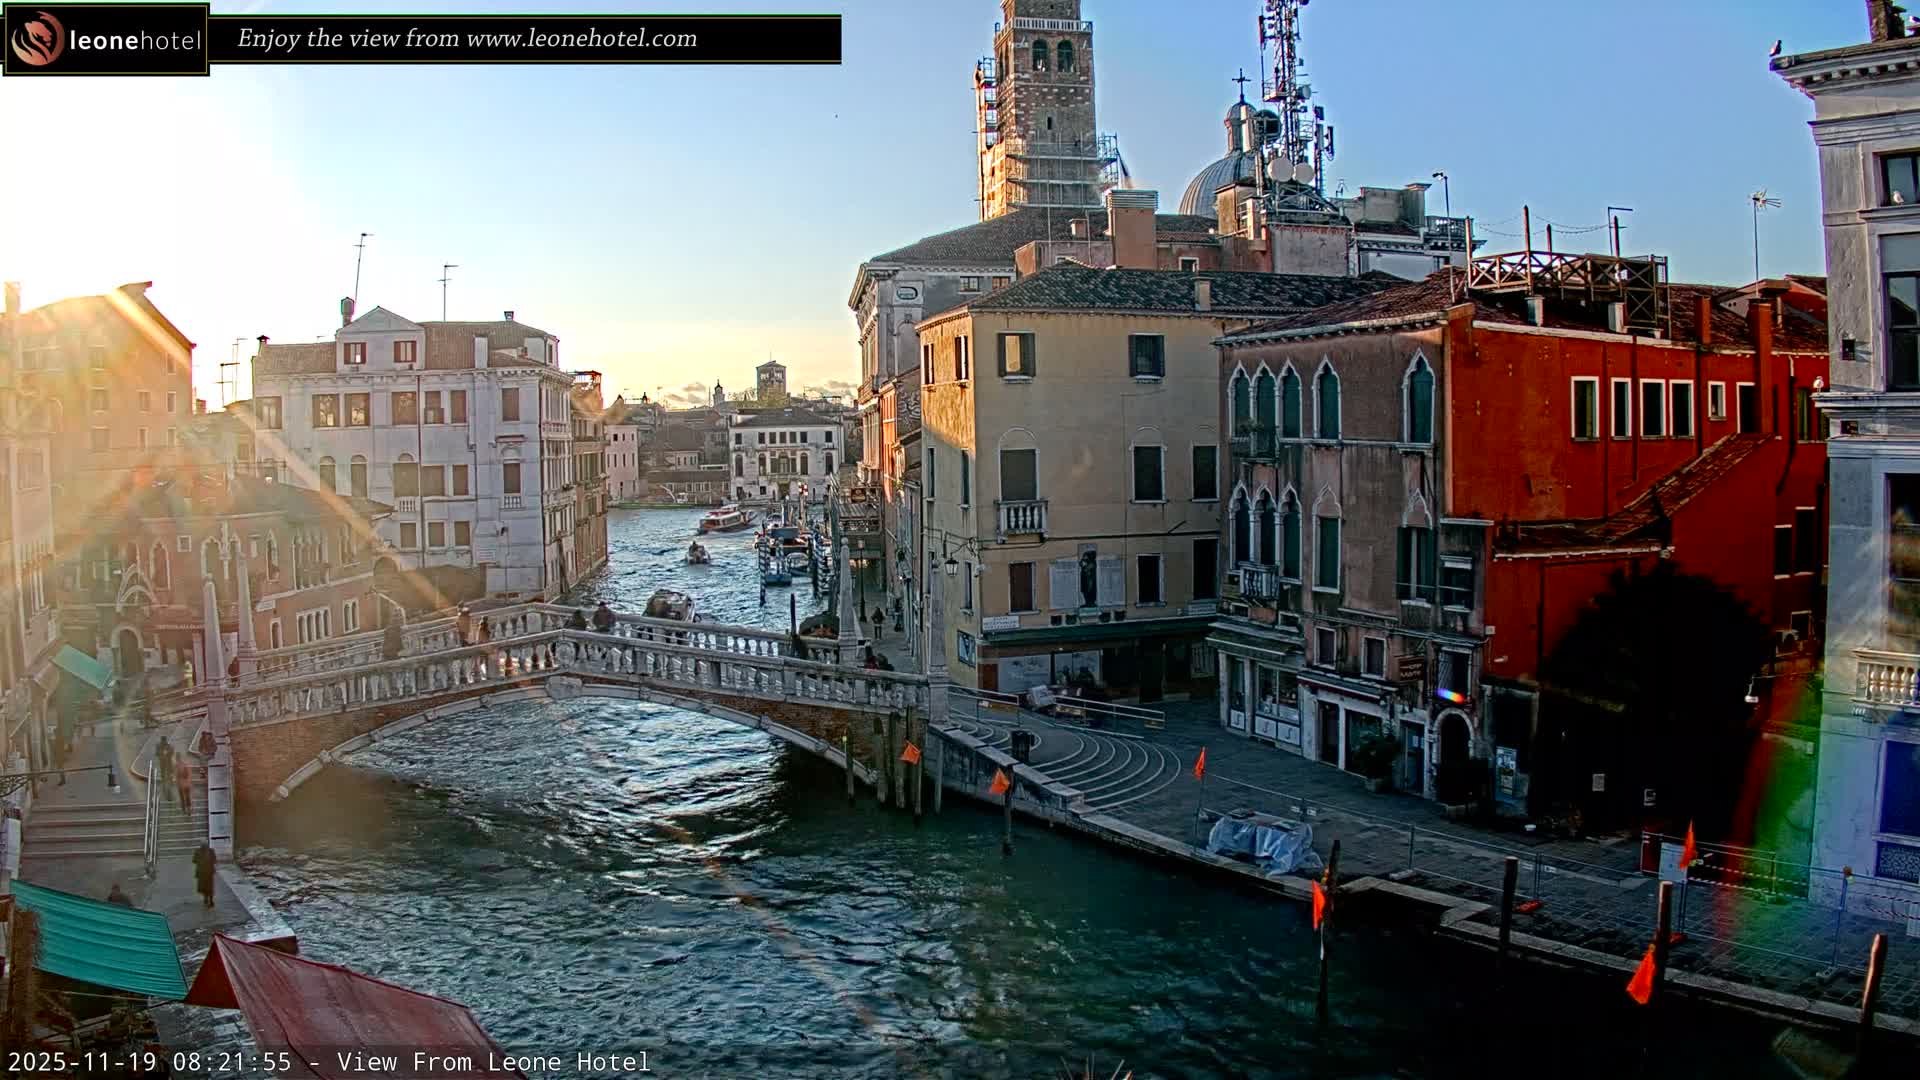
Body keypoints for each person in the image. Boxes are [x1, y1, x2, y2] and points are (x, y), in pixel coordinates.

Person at [191, 843, 216, 909]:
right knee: (210, 887)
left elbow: (194, 861)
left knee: (203, 886)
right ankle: (210, 900)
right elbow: (215, 860)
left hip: (201, 872)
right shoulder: (211, 851)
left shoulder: (198, 851)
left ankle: (206, 898)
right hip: (209, 872)